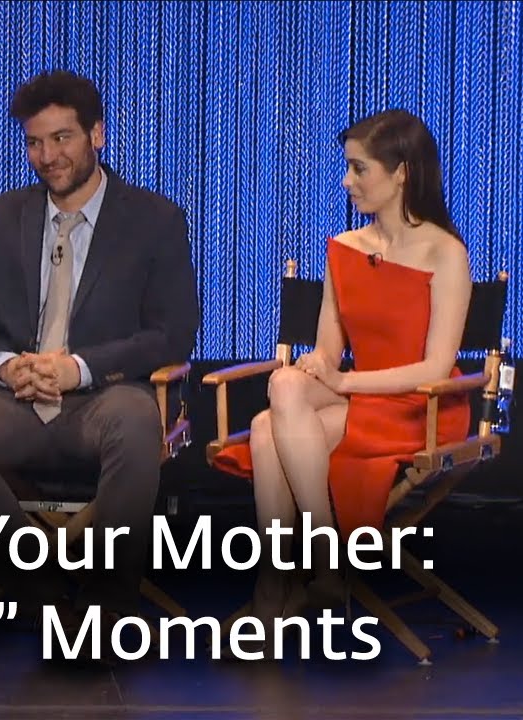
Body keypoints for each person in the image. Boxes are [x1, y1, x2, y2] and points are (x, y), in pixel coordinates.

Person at [0, 71, 200, 637]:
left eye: (62, 138)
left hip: (105, 396)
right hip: (16, 398)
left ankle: (105, 608)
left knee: (135, 422)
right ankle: (40, 589)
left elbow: (172, 334)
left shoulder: (154, 220)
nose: (47, 156)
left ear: (97, 134)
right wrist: (6, 366)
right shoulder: (0, 217)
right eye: (34, 142)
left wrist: (79, 368)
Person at [212, 109, 472, 646]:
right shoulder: (345, 248)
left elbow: (433, 366)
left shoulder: (446, 253)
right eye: (347, 167)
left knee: (265, 430)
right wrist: (317, 366)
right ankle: (322, 563)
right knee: (284, 389)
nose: (346, 180)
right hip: (361, 396)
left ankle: (277, 587)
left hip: (422, 406)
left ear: (401, 172)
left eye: (359, 169)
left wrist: (345, 383)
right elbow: (329, 349)